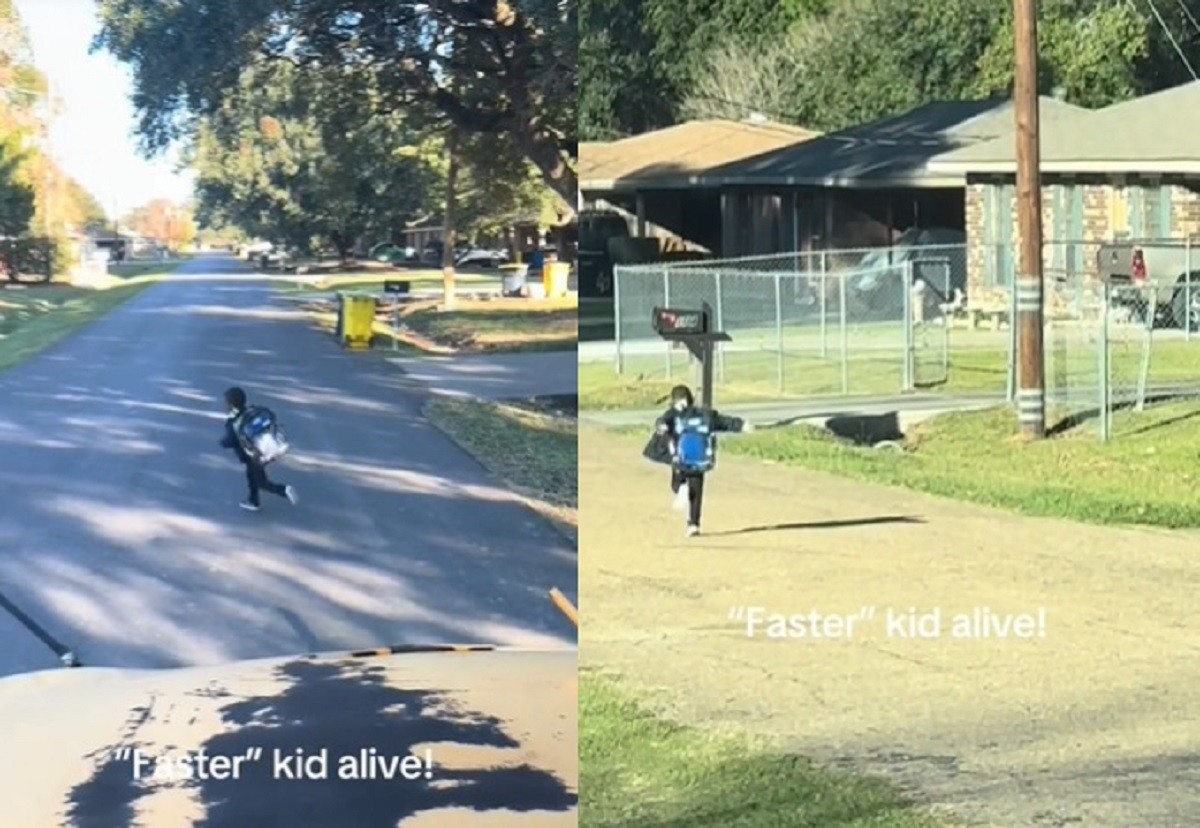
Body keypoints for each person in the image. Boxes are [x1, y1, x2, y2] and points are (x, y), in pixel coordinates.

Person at [648, 384, 752, 537]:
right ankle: (694, 524)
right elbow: (723, 422)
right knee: (696, 490)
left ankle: (682, 487)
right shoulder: (704, 415)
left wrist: (661, 426)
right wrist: (742, 425)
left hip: (680, 458)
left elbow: (663, 421)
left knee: (678, 483)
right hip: (699, 457)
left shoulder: (673, 414)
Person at [220, 387, 297, 512]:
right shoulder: (252, 410)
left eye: (226, 402)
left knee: (260, 482)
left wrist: (222, 443)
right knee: (252, 477)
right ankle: (253, 501)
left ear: (231, 404)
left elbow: (230, 441)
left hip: (253, 456)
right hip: (262, 450)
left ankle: (284, 490)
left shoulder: (233, 422)